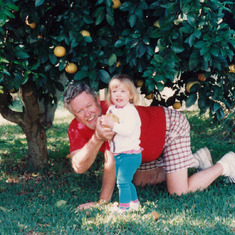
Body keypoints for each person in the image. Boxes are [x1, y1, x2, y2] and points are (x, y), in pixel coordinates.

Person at [63, 74, 235, 210]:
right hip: (146, 144)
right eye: (80, 111)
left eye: (90, 106)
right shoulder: (75, 127)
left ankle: (226, 164)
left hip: (170, 127)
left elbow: (111, 163)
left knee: (178, 192)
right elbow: (79, 166)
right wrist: (97, 138)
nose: (88, 114)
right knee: (138, 181)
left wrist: (102, 202)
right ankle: (194, 160)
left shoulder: (111, 113)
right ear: (73, 114)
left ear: (97, 101)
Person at [100, 75, 142, 212]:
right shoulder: (112, 110)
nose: (118, 94)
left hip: (130, 154)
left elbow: (128, 130)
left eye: (123, 91)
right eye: (114, 91)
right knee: (126, 180)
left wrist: (112, 125)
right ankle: (134, 203)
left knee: (122, 181)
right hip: (118, 154)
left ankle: (124, 208)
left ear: (130, 95)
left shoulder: (131, 111)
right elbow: (108, 124)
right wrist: (104, 124)